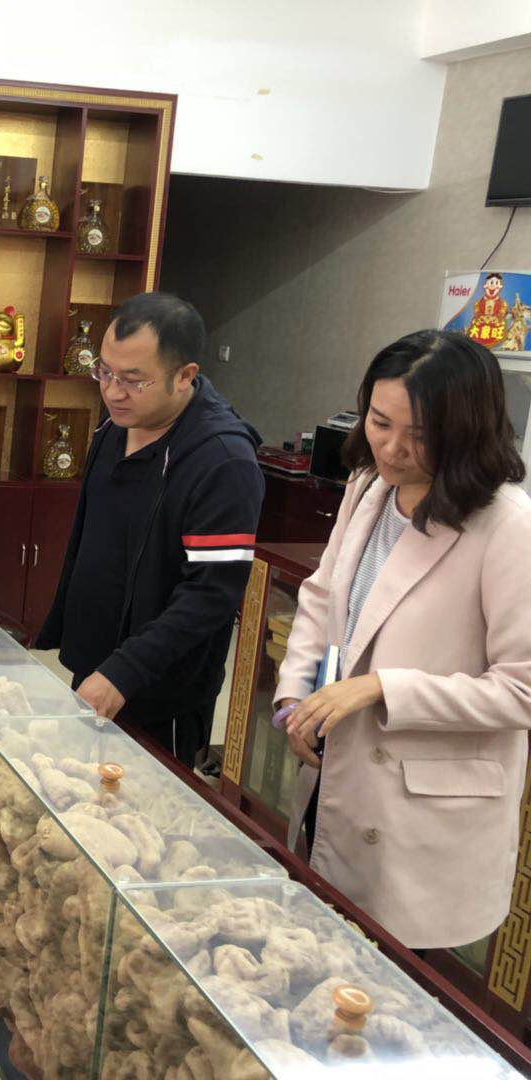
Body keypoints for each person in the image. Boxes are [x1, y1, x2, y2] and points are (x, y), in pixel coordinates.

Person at [277, 329, 531, 950]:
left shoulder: (508, 525)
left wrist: (383, 688)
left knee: (394, 975)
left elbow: (521, 690)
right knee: (324, 945)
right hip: (340, 771)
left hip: (424, 811)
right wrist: (293, 697)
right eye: (379, 421)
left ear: (467, 429)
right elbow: (323, 597)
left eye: (418, 434)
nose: (391, 449)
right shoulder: (369, 485)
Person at [34, 293, 264, 767]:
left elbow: (211, 594)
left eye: (133, 380)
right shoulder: (117, 425)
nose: (113, 392)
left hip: (160, 691)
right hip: (97, 672)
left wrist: (125, 671)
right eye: (104, 372)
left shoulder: (223, 462)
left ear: (185, 375)